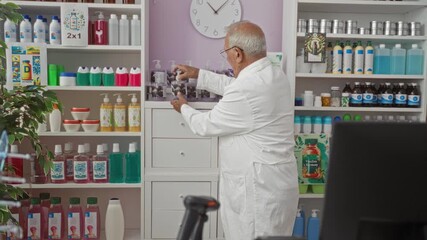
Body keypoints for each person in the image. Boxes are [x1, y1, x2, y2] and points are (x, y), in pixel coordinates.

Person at [170, 21, 298, 239]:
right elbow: (235, 87)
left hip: (258, 190)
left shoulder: (248, 88)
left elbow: (206, 125)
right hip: (276, 183)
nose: (226, 57)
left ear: (237, 53)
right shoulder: (274, 75)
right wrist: (199, 74)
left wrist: (183, 107)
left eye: (226, 52)